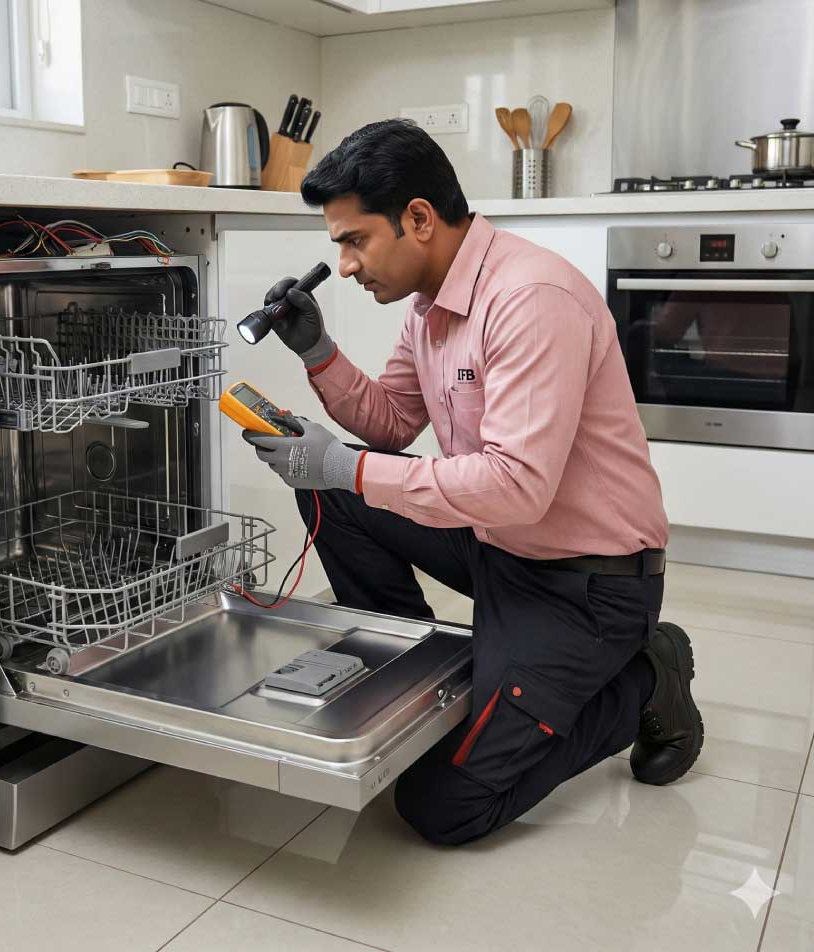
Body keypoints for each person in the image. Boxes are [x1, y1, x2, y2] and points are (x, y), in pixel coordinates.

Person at [243, 119, 704, 846]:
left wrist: (344, 463)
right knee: (330, 488)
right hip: (497, 546)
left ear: (419, 218)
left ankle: (650, 674)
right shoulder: (429, 306)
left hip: (586, 585)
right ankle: (403, 662)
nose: (346, 265)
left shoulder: (531, 298)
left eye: (355, 240)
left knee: (441, 805)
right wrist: (318, 351)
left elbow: (517, 487)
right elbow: (393, 423)